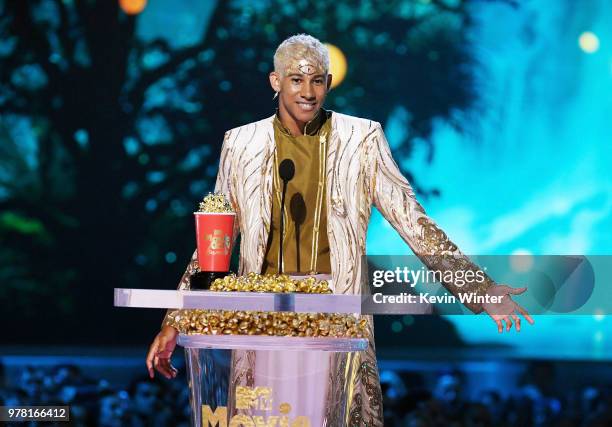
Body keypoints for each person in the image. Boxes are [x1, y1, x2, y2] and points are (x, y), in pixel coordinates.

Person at [146, 34, 534, 426]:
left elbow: (412, 220)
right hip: (261, 319)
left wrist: (478, 288)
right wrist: (174, 321)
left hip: (336, 315)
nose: (308, 91)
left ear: (329, 84)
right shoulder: (241, 143)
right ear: (275, 82)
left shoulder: (361, 138)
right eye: (296, 79)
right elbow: (215, 240)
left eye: (317, 80)